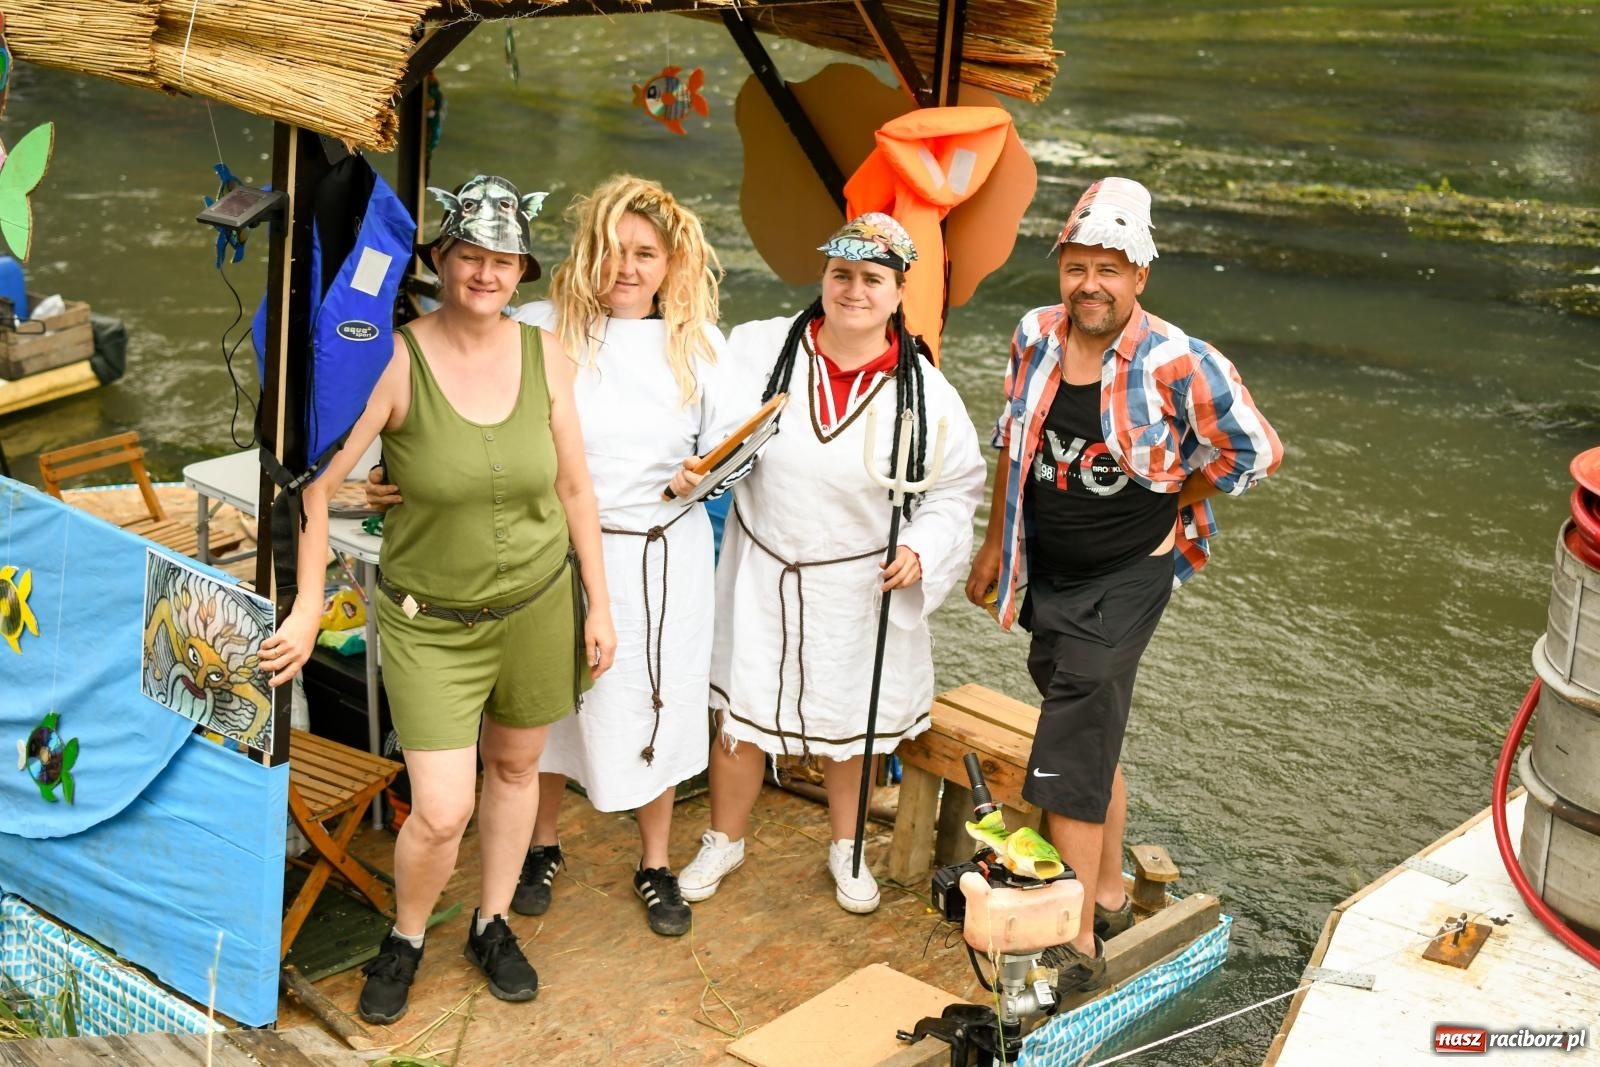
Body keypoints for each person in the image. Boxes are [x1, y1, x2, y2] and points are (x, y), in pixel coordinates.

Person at [259, 175, 616, 1025]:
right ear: (441, 261)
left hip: (538, 604)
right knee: (442, 807)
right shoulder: (394, 356)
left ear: (521, 270)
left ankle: (491, 923)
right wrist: (309, 606)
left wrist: (598, 604)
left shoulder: (547, 355)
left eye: (502, 259)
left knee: (518, 767)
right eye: (469, 256)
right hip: (432, 627)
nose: (485, 273)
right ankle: (409, 934)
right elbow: (313, 486)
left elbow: (573, 488)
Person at [372, 175, 740, 935]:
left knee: (656, 705)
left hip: (660, 553)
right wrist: (391, 472)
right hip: (552, 553)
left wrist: (706, 473)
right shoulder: (542, 324)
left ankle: (655, 859)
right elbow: (462, 400)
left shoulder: (698, 346)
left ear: (672, 263)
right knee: (542, 715)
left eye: (644, 254)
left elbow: (738, 447)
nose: (626, 269)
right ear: (584, 255)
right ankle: (541, 843)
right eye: (611, 251)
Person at [963, 176, 1283, 990]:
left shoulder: (1182, 361)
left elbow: (1256, 451)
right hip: (1052, 569)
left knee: (1067, 744)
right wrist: (996, 543)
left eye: (1110, 268)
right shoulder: (1035, 334)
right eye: (1077, 266)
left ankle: (1074, 943)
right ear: (1060, 269)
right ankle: (1106, 890)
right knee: (1090, 726)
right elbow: (1013, 437)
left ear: (1140, 276)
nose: (1090, 284)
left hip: (1131, 573)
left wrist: (1179, 489)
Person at [678, 212, 986, 914]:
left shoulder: (926, 393)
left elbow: (957, 487)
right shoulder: (759, 350)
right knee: (740, 714)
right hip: (762, 565)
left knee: (853, 723)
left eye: (871, 278)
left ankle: (846, 848)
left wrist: (921, 549)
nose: (853, 290)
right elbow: (697, 415)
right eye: (841, 274)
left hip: (859, 581)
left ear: (898, 290)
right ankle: (724, 837)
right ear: (824, 277)